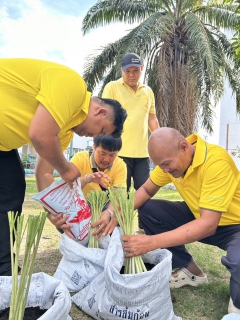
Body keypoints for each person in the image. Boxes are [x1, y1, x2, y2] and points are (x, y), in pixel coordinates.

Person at [0, 58, 127, 276]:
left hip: (3, 147)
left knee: (12, 192)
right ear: (100, 112)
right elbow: (39, 134)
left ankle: (3, 270)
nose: (95, 137)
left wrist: (53, 212)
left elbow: (44, 172)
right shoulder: (73, 86)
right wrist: (67, 169)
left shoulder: (65, 131)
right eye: (102, 131)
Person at [107, 127, 240, 315]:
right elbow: (145, 191)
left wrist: (151, 242)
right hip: (199, 216)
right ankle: (191, 271)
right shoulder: (169, 162)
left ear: (184, 147)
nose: (165, 170)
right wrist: (116, 213)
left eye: (167, 164)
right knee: (150, 210)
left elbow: (209, 225)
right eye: (161, 166)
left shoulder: (215, 161)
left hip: (234, 226)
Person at [102, 53, 159, 192]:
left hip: (143, 154)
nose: (131, 75)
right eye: (127, 71)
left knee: (145, 194)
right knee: (119, 195)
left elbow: (151, 118)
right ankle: (119, 215)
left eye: (135, 71)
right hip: (118, 152)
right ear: (121, 70)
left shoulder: (148, 91)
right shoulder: (112, 87)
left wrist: (159, 139)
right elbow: (104, 117)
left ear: (142, 69)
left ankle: (144, 215)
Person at [69, 135, 127, 238]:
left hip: (105, 206)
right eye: (103, 153)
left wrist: (108, 212)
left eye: (112, 155)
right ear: (94, 147)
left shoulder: (120, 165)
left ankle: (104, 235)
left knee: (120, 215)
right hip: (81, 205)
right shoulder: (79, 159)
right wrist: (87, 179)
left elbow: (119, 195)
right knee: (65, 218)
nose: (106, 159)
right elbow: (67, 188)